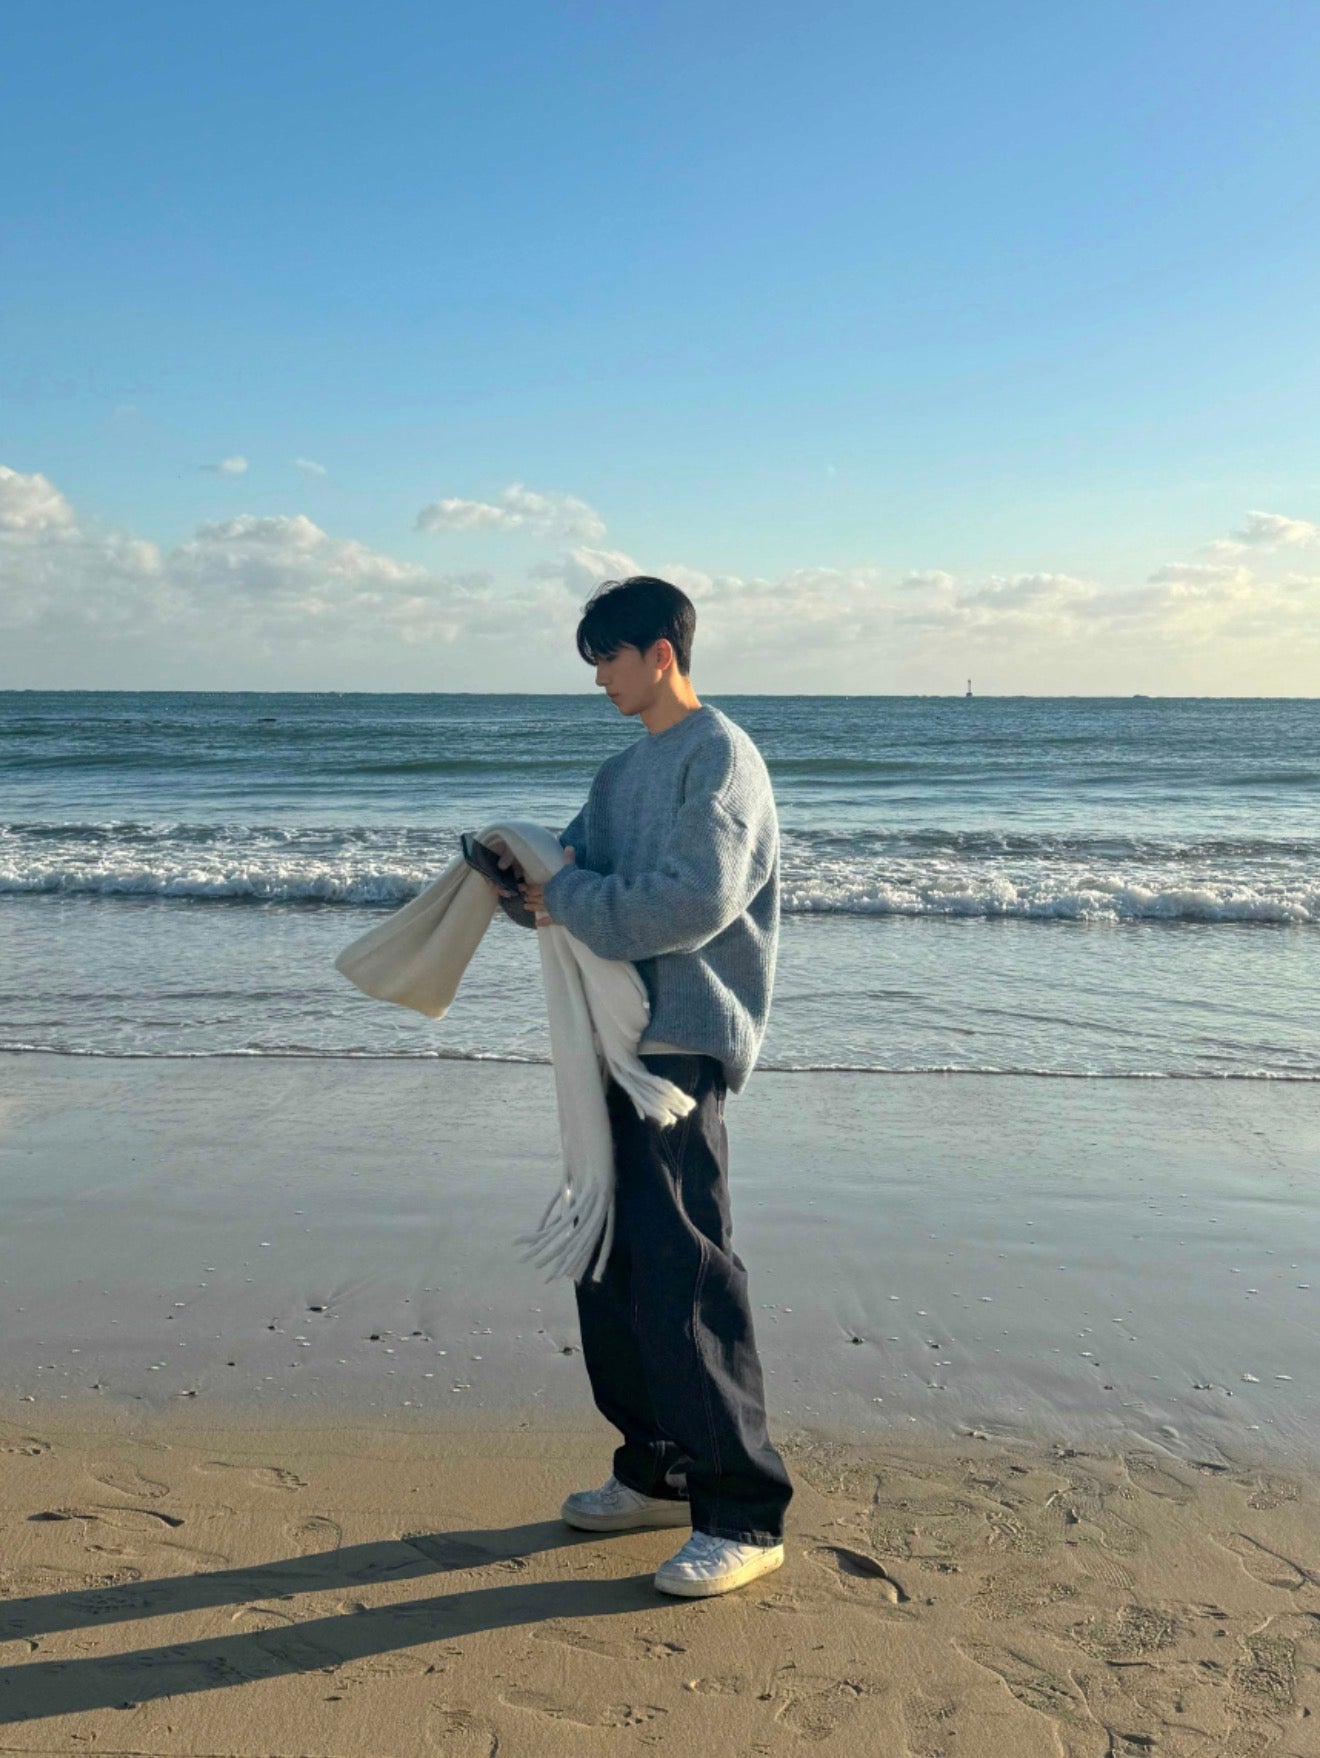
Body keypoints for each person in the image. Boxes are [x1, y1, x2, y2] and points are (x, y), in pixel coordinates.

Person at [478, 573, 793, 1599]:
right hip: (611, 1037)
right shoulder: (621, 774)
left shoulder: (721, 757)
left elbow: (696, 899)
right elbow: (573, 880)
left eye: (608, 658)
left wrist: (567, 890)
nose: (599, 679)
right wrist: (516, 881)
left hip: (681, 1040)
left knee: (684, 1263)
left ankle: (742, 1512)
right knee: (610, 1258)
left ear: (662, 652)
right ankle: (658, 1468)